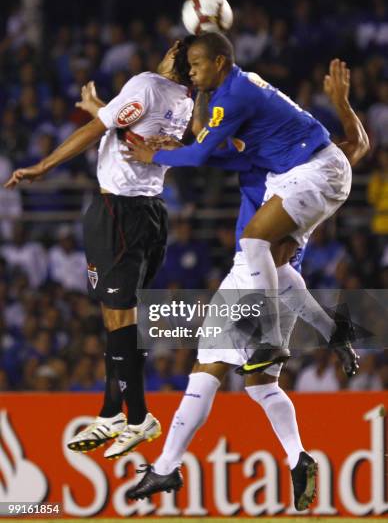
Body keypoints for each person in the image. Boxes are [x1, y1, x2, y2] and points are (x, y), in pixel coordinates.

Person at [125, 58, 369, 510]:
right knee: (260, 386)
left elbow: (202, 141)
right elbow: (357, 144)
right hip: (277, 275)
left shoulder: (258, 156)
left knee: (206, 372)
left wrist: (165, 133)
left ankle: (164, 468)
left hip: (250, 273)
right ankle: (297, 457)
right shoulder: (302, 158)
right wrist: (342, 104)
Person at [127, 33, 361, 374]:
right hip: (306, 175)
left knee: (253, 241)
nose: (191, 72)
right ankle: (333, 331)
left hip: (314, 171)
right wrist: (180, 152)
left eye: (196, 64)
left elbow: (201, 153)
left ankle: (270, 340)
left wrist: (156, 155)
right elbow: (219, 157)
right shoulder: (245, 108)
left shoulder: (233, 99)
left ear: (218, 62)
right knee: (276, 268)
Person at [4, 41, 194, 460]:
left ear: (174, 56)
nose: (163, 50)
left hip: (119, 211)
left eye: (171, 47)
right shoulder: (183, 100)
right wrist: (100, 107)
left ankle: (139, 415)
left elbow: (98, 131)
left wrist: (43, 166)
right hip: (150, 211)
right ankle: (112, 412)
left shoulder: (147, 83)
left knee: (118, 317)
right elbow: (128, 127)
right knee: (121, 319)